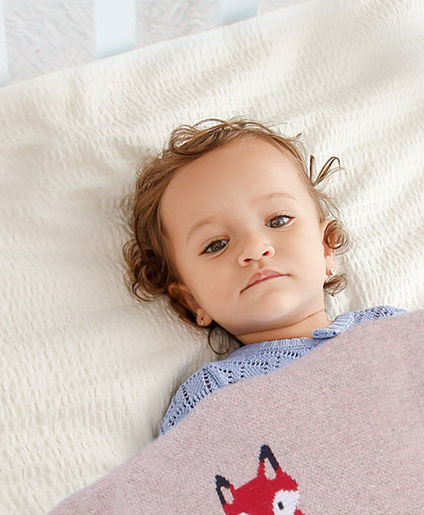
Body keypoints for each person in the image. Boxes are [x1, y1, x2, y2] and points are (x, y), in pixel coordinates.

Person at [124, 118, 403, 435]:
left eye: (278, 220)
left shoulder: (391, 329)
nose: (255, 248)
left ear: (327, 248)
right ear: (191, 300)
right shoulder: (212, 395)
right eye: (216, 245)